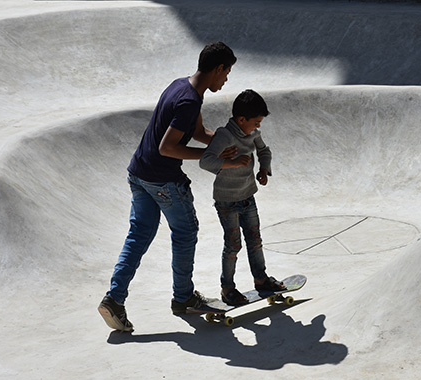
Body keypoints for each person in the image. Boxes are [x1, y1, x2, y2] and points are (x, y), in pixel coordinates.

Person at [98, 42, 237, 332]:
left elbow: (198, 132)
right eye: (226, 74)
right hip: (163, 180)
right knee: (186, 231)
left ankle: (114, 299)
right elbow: (168, 148)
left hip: (138, 174)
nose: (226, 80)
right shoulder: (189, 102)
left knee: (138, 235)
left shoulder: (182, 87)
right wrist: (208, 156)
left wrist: (224, 143)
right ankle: (183, 297)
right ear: (218, 69)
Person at [199, 89, 286, 306]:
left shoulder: (253, 134)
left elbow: (265, 151)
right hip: (227, 202)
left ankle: (261, 279)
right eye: (255, 122)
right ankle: (227, 288)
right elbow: (205, 161)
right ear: (241, 119)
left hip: (248, 197)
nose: (258, 127)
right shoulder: (224, 136)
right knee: (233, 245)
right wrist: (232, 163)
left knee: (255, 241)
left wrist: (264, 170)